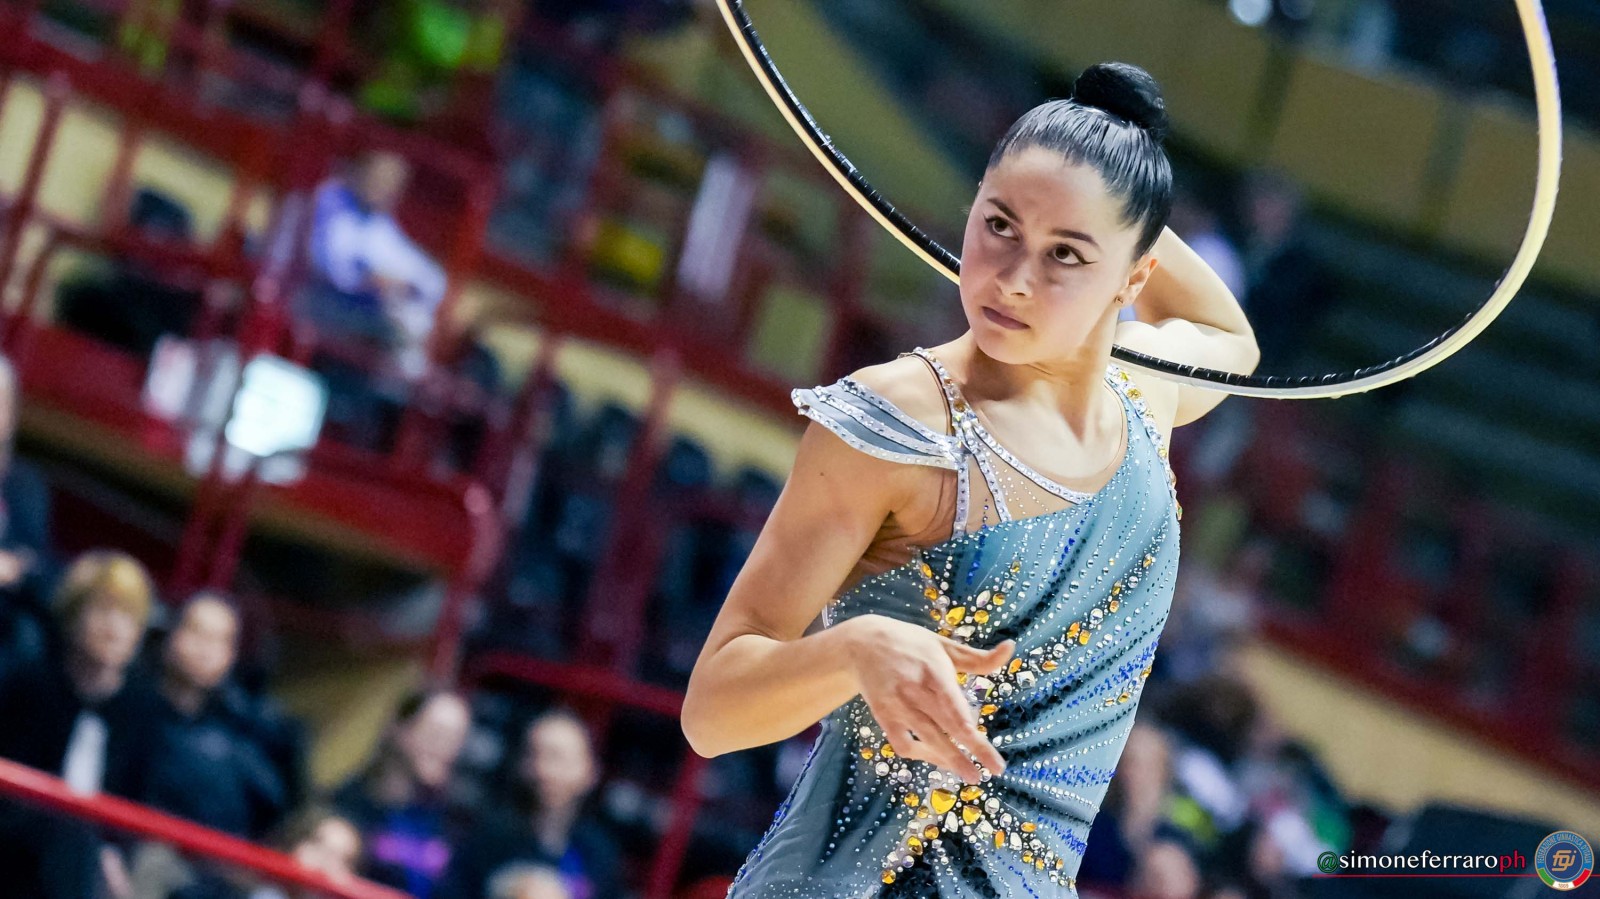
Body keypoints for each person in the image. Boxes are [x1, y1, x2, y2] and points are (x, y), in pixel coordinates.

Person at [681, 61, 1258, 896]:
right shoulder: (902, 419)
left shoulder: (1146, 395)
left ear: (1135, 278)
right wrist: (853, 649)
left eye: (1066, 254)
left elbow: (1230, 339)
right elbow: (711, 710)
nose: (1011, 278)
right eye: (998, 224)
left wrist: (1120, 179)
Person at [0, 550, 162, 899]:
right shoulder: (32, 685)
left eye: (129, 617)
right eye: (103, 611)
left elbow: (135, 805)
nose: (115, 629)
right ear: (74, 615)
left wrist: (112, 853)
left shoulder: (143, 708)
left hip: (89, 866)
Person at [143, 593, 289, 838]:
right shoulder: (130, 705)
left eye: (220, 641)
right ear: (171, 637)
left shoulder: (245, 731)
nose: (206, 649)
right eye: (198, 632)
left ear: (232, 656)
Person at [437, 708, 623, 899]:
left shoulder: (599, 853)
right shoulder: (490, 837)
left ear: (589, 771)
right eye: (533, 755)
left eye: (557, 757)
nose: (543, 769)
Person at [329, 687, 471, 897]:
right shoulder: (347, 804)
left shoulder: (455, 824)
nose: (445, 748)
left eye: (456, 739)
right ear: (401, 729)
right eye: (436, 733)